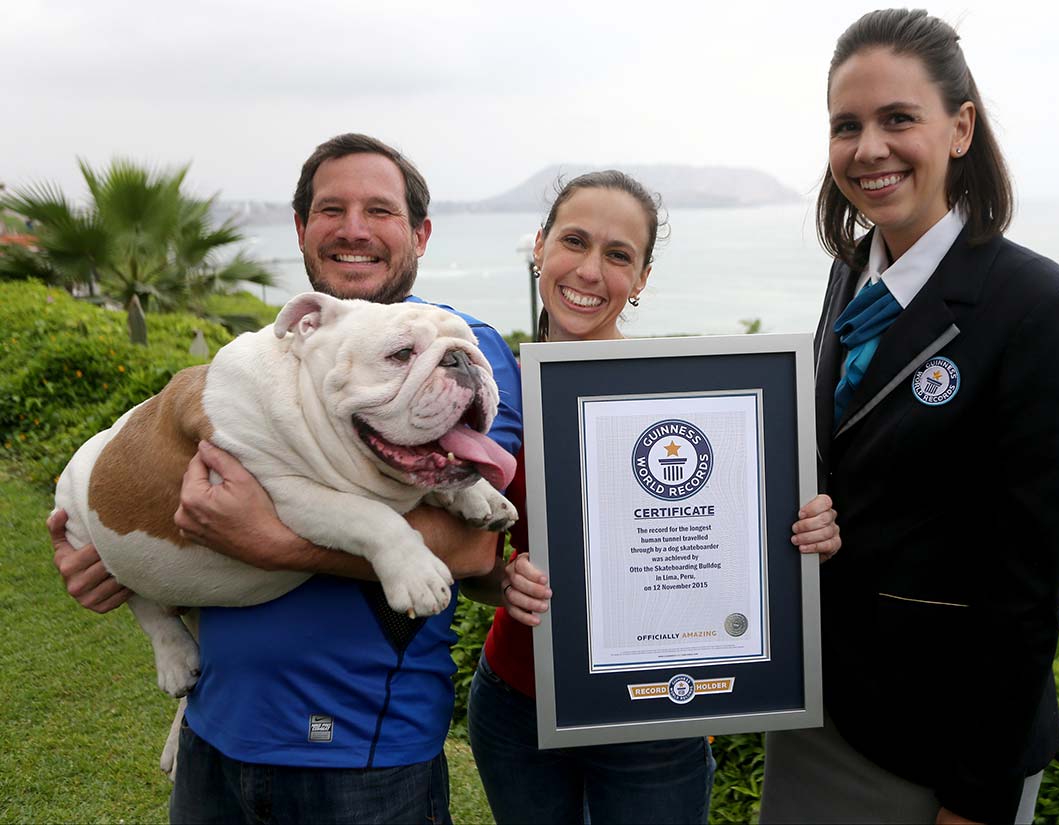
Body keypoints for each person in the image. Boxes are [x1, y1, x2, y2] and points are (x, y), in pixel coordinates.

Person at [49, 132, 522, 825]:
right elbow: (168, 491)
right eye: (331, 209)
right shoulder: (282, 352)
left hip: (361, 750)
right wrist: (119, 561)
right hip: (215, 725)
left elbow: (472, 549)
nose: (354, 229)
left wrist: (271, 540)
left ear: (419, 232)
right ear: (301, 229)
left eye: (381, 211)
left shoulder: (460, 349)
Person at [758, 10, 1059, 825]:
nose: (868, 147)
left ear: (960, 129)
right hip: (815, 712)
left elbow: (1030, 586)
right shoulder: (850, 280)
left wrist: (977, 797)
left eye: (897, 118)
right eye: (847, 125)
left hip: (938, 745)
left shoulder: (1038, 308)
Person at [460, 170, 842, 824]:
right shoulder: (495, 393)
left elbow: (744, 532)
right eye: (573, 241)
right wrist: (501, 581)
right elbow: (464, 559)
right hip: (517, 703)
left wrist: (808, 532)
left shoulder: (684, 397)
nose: (588, 269)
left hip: (657, 719)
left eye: (618, 255)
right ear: (539, 249)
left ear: (640, 280)